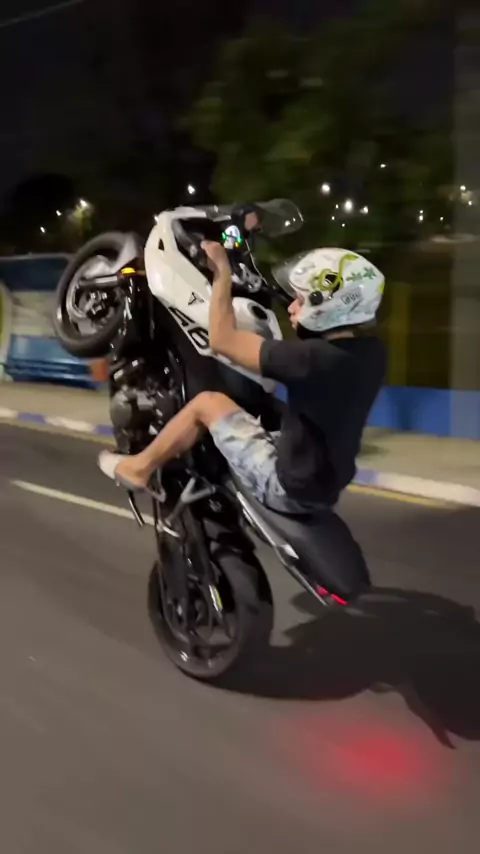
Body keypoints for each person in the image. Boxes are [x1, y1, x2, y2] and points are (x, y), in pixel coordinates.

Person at [99, 242, 386, 513]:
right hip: (328, 485)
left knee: (208, 403)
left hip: (288, 488)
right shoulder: (373, 354)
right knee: (267, 409)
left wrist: (221, 271)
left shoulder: (311, 359)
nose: (291, 307)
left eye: (300, 300)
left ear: (328, 305)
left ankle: (138, 468)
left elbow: (221, 340)